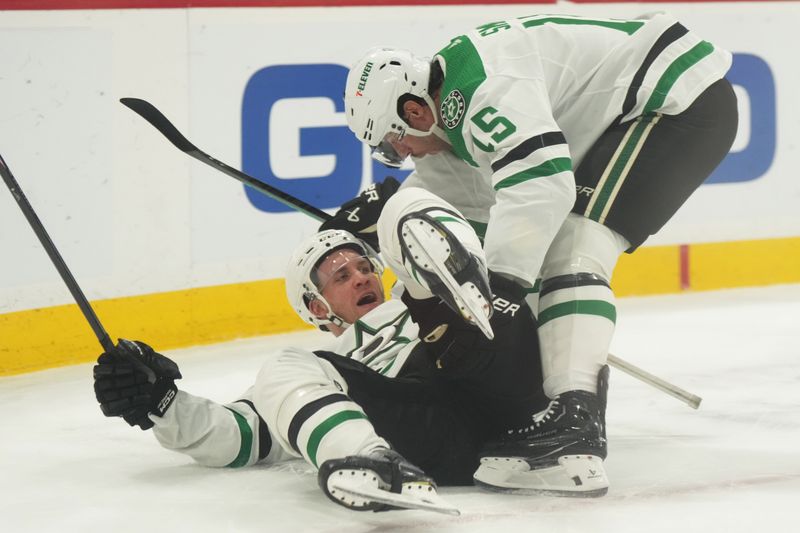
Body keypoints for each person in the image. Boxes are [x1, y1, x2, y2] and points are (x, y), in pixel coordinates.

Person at [338, 11, 738, 493]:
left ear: (414, 112)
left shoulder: (482, 92)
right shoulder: (446, 114)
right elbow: (468, 210)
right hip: (646, 106)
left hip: (678, 101)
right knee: (563, 247)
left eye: (393, 144)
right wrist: (379, 222)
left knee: (576, 246)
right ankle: (569, 415)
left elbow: (542, 186)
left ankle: (575, 418)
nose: (403, 157)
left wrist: (503, 288)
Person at [93, 187, 569, 515]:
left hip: (504, 406)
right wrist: (161, 404)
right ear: (317, 308)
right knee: (283, 366)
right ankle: (370, 461)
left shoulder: (422, 295)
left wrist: (397, 212)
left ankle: (578, 415)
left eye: (365, 267)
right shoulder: (327, 370)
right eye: (341, 277)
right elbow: (241, 434)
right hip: (438, 432)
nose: (362, 276)